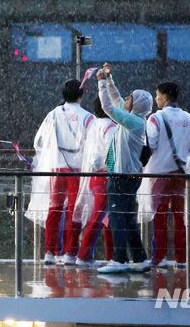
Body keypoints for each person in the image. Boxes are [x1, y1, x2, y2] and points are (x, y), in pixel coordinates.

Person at [138, 82, 190, 268]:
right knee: (180, 217)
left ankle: (159, 258)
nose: (156, 99)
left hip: (158, 174)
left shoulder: (155, 119)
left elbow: (150, 143)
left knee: (159, 217)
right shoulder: (189, 119)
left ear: (165, 97)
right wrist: (181, 154)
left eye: (157, 95)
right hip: (181, 174)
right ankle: (181, 259)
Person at [95, 63, 152, 274]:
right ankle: (139, 258)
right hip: (129, 176)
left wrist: (100, 82)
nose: (125, 99)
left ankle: (119, 259)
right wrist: (109, 80)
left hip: (121, 176)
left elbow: (108, 107)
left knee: (118, 216)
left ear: (135, 104)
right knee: (127, 217)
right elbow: (117, 100)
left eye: (130, 98)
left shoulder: (133, 123)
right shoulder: (135, 120)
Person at [30, 79, 94, 265]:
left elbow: (39, 141)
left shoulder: (53, 114)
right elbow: (94, 145)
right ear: (81, 95)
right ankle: (70, 253)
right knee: (75, 211)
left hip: (56, 169)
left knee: (54, 209)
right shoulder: (88, 117)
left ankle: (49, 252)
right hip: (78, 171)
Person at [73, 96, 115, 267]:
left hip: (94, 177)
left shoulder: (94, 125)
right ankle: (84, 255)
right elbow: (112, 153)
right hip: (105, 176)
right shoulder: (111, 127)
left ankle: (110, 256)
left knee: (104, 218)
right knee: (99, 218)